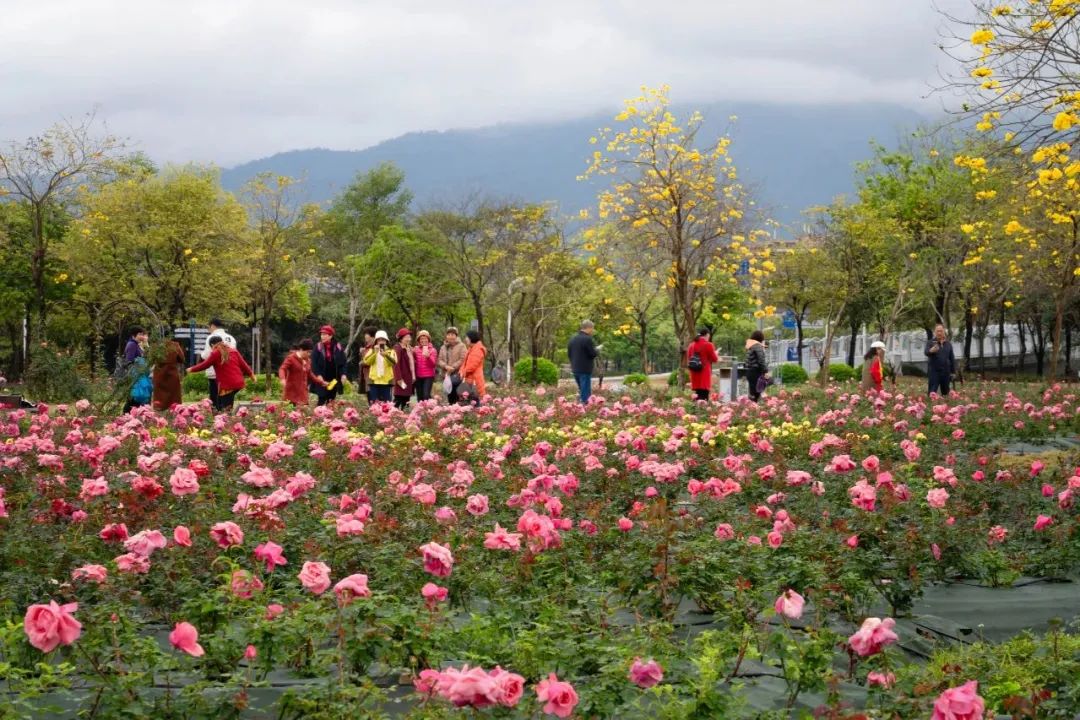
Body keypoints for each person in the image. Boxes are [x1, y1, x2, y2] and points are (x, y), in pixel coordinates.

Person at [187, 336, 256, 412]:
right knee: (220, 401)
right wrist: (251, 375)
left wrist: (192, 369)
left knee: (225, 408)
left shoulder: (215, 353)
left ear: (212, 345)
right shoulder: (233, 350)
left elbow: (205, 365)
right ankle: (223, 414)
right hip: (238, 382)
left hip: (227, 385)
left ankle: (227, 417)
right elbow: (244, 365)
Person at [201, 319, 237, 409]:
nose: (208, 329)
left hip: (215, 373)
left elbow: (207, 355)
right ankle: (227, 415)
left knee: (215, 399)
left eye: (208, 327)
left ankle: (217, 415)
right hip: (229, 373)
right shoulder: (231, 338)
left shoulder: (211, 337)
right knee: (227, 400)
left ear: (212, 326)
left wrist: (202, 354)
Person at [279, 339, 325, 406]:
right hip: (291, 396)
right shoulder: (291, 358)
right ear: (301, 349)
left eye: (310, 352)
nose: (309, 354)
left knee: (304, 411)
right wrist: (282, 379)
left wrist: (321, 382)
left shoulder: (308, 361)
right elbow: (282, 369)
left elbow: (310, 374)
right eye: (307, 352)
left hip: (303, 396)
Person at [311, 325, 347, 406]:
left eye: (324, 334)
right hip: (322, 378)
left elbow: (343, 363)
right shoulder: (318, 347)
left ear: (331, 336)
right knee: (321, 399)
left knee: (331, 400)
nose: (322, 336)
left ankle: (329, 413)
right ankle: (319, 413)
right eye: (321, 334)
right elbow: (314, 363)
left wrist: (343, 374)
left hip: (334, 378)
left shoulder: (338, 347)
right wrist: (318, 375)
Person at [567, 320, 600, 404]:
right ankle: (585, 408)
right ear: (589, 328)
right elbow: (592, 354)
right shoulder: (587, 339)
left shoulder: (572, 339)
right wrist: (596, 350)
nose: (593, 330)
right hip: (585, 369)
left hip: (575, 368)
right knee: (585, 393)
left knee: (582, 389)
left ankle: (580, 407)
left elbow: (569, 354)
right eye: (592, 328)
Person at [152, 334, 186, 411]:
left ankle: (159, 410)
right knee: (174, 394)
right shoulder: (175, 345)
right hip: (171, 372)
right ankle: (174, 410)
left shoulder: (156, 346)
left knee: (159, 395)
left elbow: (152, 359)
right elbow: (182, 359)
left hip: (159, 372)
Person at [362, 330, 397, 404]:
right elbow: (367, 362)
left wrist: (386, 355)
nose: (381, 342)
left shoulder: (391, 351)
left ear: (386, 341)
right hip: (374, 380)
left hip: (386, 381)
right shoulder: (371, 351)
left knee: (387, 404)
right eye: (379, 340)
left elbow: (393, 363)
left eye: (383, 340)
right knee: (375, 403)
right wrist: (375, 353)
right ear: (376, 341)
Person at [122, 327, 151, 414]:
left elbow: (147, 356)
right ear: (133, 335)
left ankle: (132, 415)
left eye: (142, 334)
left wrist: (146, 343)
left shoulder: (136, 345)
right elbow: (129, 361)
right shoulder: (132, 345)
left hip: (139, 375)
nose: (142, 336)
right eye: (140, 334)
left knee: (138, 398)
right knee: (134, 397)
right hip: (135, 376)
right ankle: (126, 415)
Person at [687, 328, 720, 401]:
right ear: (707, 335)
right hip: (704, 373)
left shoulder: (691, 345)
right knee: (704, 396)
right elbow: (715, 359)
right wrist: (716, 353)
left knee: (697, 395)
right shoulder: (708, 345)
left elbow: (689, 358)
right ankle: (703, 407)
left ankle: (696, 407)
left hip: (694, 373)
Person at [437, 327, 467, 403]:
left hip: (458, 373)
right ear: (446, 336)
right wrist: (445, 366)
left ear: (456, 336)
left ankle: (458, 406)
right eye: (449, 334)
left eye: (453, 334)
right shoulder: (443, 347)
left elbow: (463, 359)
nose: (450, 336)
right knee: (449, 394)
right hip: (446, 374)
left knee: (457, 393)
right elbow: (439, 360)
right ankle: (452, 407)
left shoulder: (462, 346)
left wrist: (453, 367)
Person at [925, 324, 956, 396]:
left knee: (946, 392)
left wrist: (953, 372)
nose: (939, 333)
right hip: (934, 372)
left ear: (944, 332)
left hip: (946, 371)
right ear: (935, 332)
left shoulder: (948, 344)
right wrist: (931, 351)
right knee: (932, 391)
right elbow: (926, 352)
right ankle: (932, 402)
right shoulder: (930, 342)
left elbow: (952, 358)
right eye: (937, 331)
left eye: (941, 331)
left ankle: (946, 402)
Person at [459, 329, 487, 404]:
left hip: (475, 380)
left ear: (472, 338)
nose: (465, 339)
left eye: (467, 337)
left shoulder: (478, 350)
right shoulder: (471, 349)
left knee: (475, 402)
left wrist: (463, 372)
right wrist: (461, 370)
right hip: (469, 379)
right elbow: (464, 363)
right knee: (468, 402)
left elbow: (472, 366)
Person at [392, 328, 416, 410]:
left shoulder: (409, 349)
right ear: (401, 338)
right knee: (398, 400)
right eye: (407, 337)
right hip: (401, 379)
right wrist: (399, 379)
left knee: (406, 401)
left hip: (408, 379)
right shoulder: (397, 348)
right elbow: (396, 364)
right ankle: (392, 416)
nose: (409, 339)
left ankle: (404, 416)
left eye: (409, 337)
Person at [744, 330, 769, 403]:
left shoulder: (750, 345)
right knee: (757, 393)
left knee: (753, 393)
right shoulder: (757, 346)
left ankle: (752, 407)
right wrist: (765, 371)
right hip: (756, 372)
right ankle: (755, 407)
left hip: (750, 371)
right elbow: (761, 360)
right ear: (760, 338)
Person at [413, 330, 438, 402]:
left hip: (428, 376)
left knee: (426, 395)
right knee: (419, 396)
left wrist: (428, 357)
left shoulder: (433, 350)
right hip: (418, 376)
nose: (423, 340)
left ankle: (429, 406)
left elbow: (433, 364)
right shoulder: (416, 350)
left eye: (425, 338)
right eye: (421, 339)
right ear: (419, 340)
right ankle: (421, 408)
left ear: (428, 340)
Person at [358, 327, 377, 404]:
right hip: (367, 377)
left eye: (366, 334)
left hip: (373, 378)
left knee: (374, 400)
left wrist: (361, 360)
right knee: (370, 400)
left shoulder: (375, 347)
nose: (365, 336)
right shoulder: (367, 347)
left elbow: (368, 361)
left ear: (372, 336)